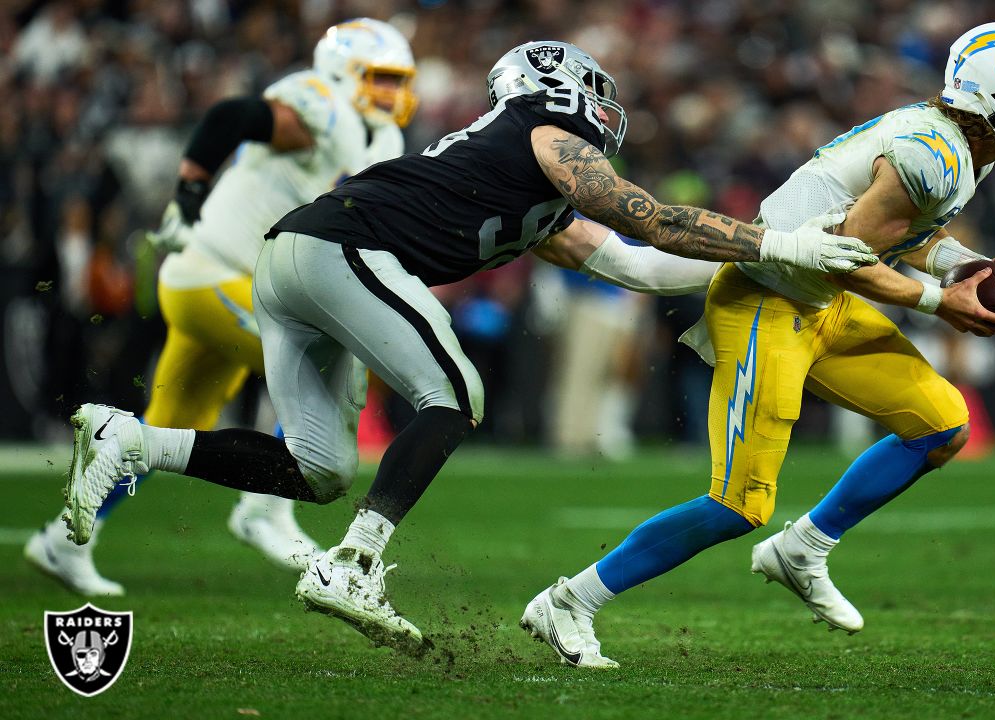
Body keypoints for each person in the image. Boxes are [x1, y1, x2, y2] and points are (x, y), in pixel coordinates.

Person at [61, 41, 877, 651]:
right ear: (554, 85)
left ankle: (129, 438)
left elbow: (638, 263)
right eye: (593, 91)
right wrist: (775, 245)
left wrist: (784, 245)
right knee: (454, 395)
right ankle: (354, 565)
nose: (603, 109)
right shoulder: (543, 127)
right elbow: (645, 215)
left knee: (317, 469)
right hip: (337, 250)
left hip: (301, 263)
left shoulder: (532, 187)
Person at [524, 21, 995, 668]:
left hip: (817, 301)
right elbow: (846, 256)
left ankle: (804, 547)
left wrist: (960, 263)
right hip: (768, 302)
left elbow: (897, 231)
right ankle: (570, 601)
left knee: (943, 425)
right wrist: (935, 301)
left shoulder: (952, 149)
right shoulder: (934, 153)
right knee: (738, 504)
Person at [25, 18, 419, 596]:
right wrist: (190, 184)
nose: (391, 93)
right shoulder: (320, 103)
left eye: (398, 80)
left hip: (233, 286)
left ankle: (59, 542)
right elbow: (233, 117)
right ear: (342, 71)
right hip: (215, 274)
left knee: (163, 434)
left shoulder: (382, 138)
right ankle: (265, 511)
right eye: (380, 78)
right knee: (329, 345)